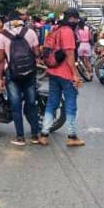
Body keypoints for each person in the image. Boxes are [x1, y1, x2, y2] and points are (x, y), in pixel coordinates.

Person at [38, 8, 85, 147]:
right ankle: (72, 136)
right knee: (71, 104)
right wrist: (75, 75)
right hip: (65, 74)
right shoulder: (68, 32)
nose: (77, 21)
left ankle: (44, 134)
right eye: (76, 19)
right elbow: (70, 55)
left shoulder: (56, 29)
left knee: (52, 103)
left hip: (53, 72)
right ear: (73, 18)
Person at [0, 11, 41, 146]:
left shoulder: (2, 35)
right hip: (29, 73)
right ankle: (35, 135)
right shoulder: (31, 32)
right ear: (20, 19)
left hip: (12, 74)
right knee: (31, 104)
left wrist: (0, 78)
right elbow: (37, 53)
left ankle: (20, 137)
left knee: (16, 106)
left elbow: (0, 60)